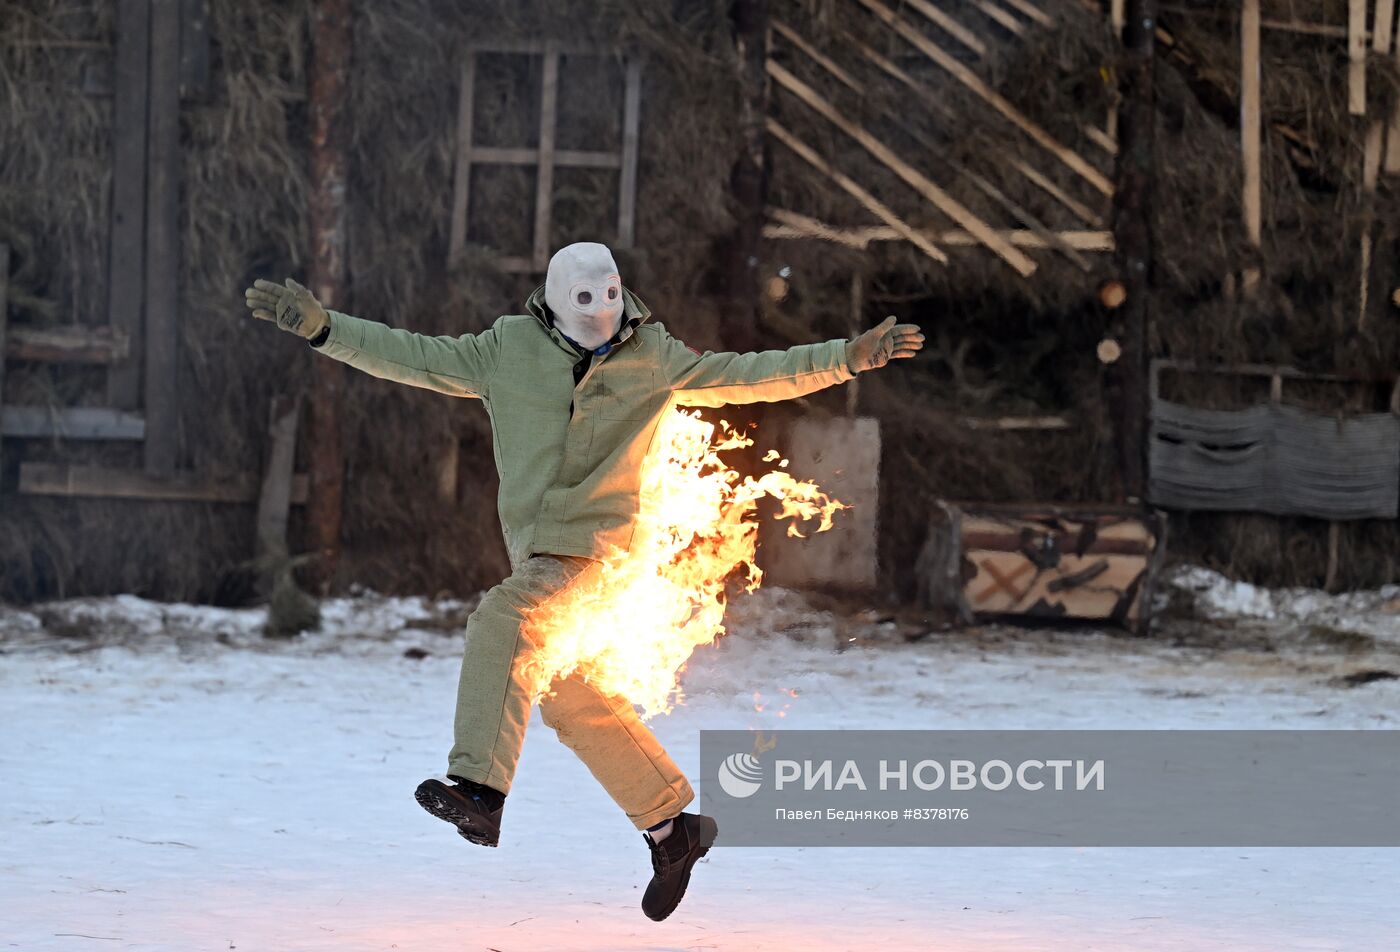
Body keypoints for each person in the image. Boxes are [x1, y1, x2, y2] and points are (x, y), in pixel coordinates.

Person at [243, 242, 924, 920]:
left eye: (612, 294)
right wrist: (325, 328)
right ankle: (671, 829)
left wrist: (846, 357)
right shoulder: (505, 350)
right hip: (542, 555)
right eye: (586, 298)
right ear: (555, 300)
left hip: (602, 556)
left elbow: (751, 374)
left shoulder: (653, 355)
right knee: (571, 694)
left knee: (504, 618)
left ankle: (480, 789)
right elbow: (411, 354)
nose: (604, 309)